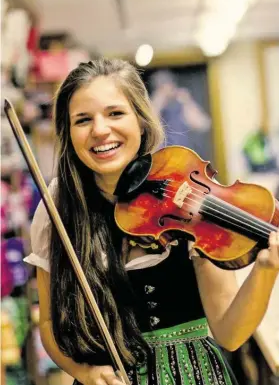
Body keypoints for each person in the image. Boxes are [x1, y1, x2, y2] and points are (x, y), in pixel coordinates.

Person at [24, 58, 279, 385]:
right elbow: (47, 322)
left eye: (115, 113)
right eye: (83, 120)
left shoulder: (189, 196)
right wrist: (83, 372)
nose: (100, 130)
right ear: (68, 132)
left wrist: (266, 270)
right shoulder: (58, 205)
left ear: (141, 120)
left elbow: (229, 333)